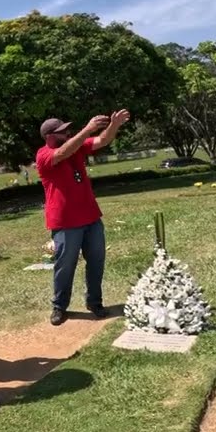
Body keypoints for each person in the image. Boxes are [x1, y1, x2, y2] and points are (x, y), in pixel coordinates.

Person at [35, 109, 131, 326]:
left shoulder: (77, 148)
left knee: (96, 261)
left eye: (68, 130)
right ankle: (59, 307)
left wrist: (114, 125)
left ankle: (94, 302)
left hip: (90, 217)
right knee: (65, 265)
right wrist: (87, 128)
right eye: (62, 132)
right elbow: (60, 154)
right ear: (50, 137)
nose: (67, 133)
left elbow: (103, 140)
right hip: (66, 222)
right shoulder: (43, 155)